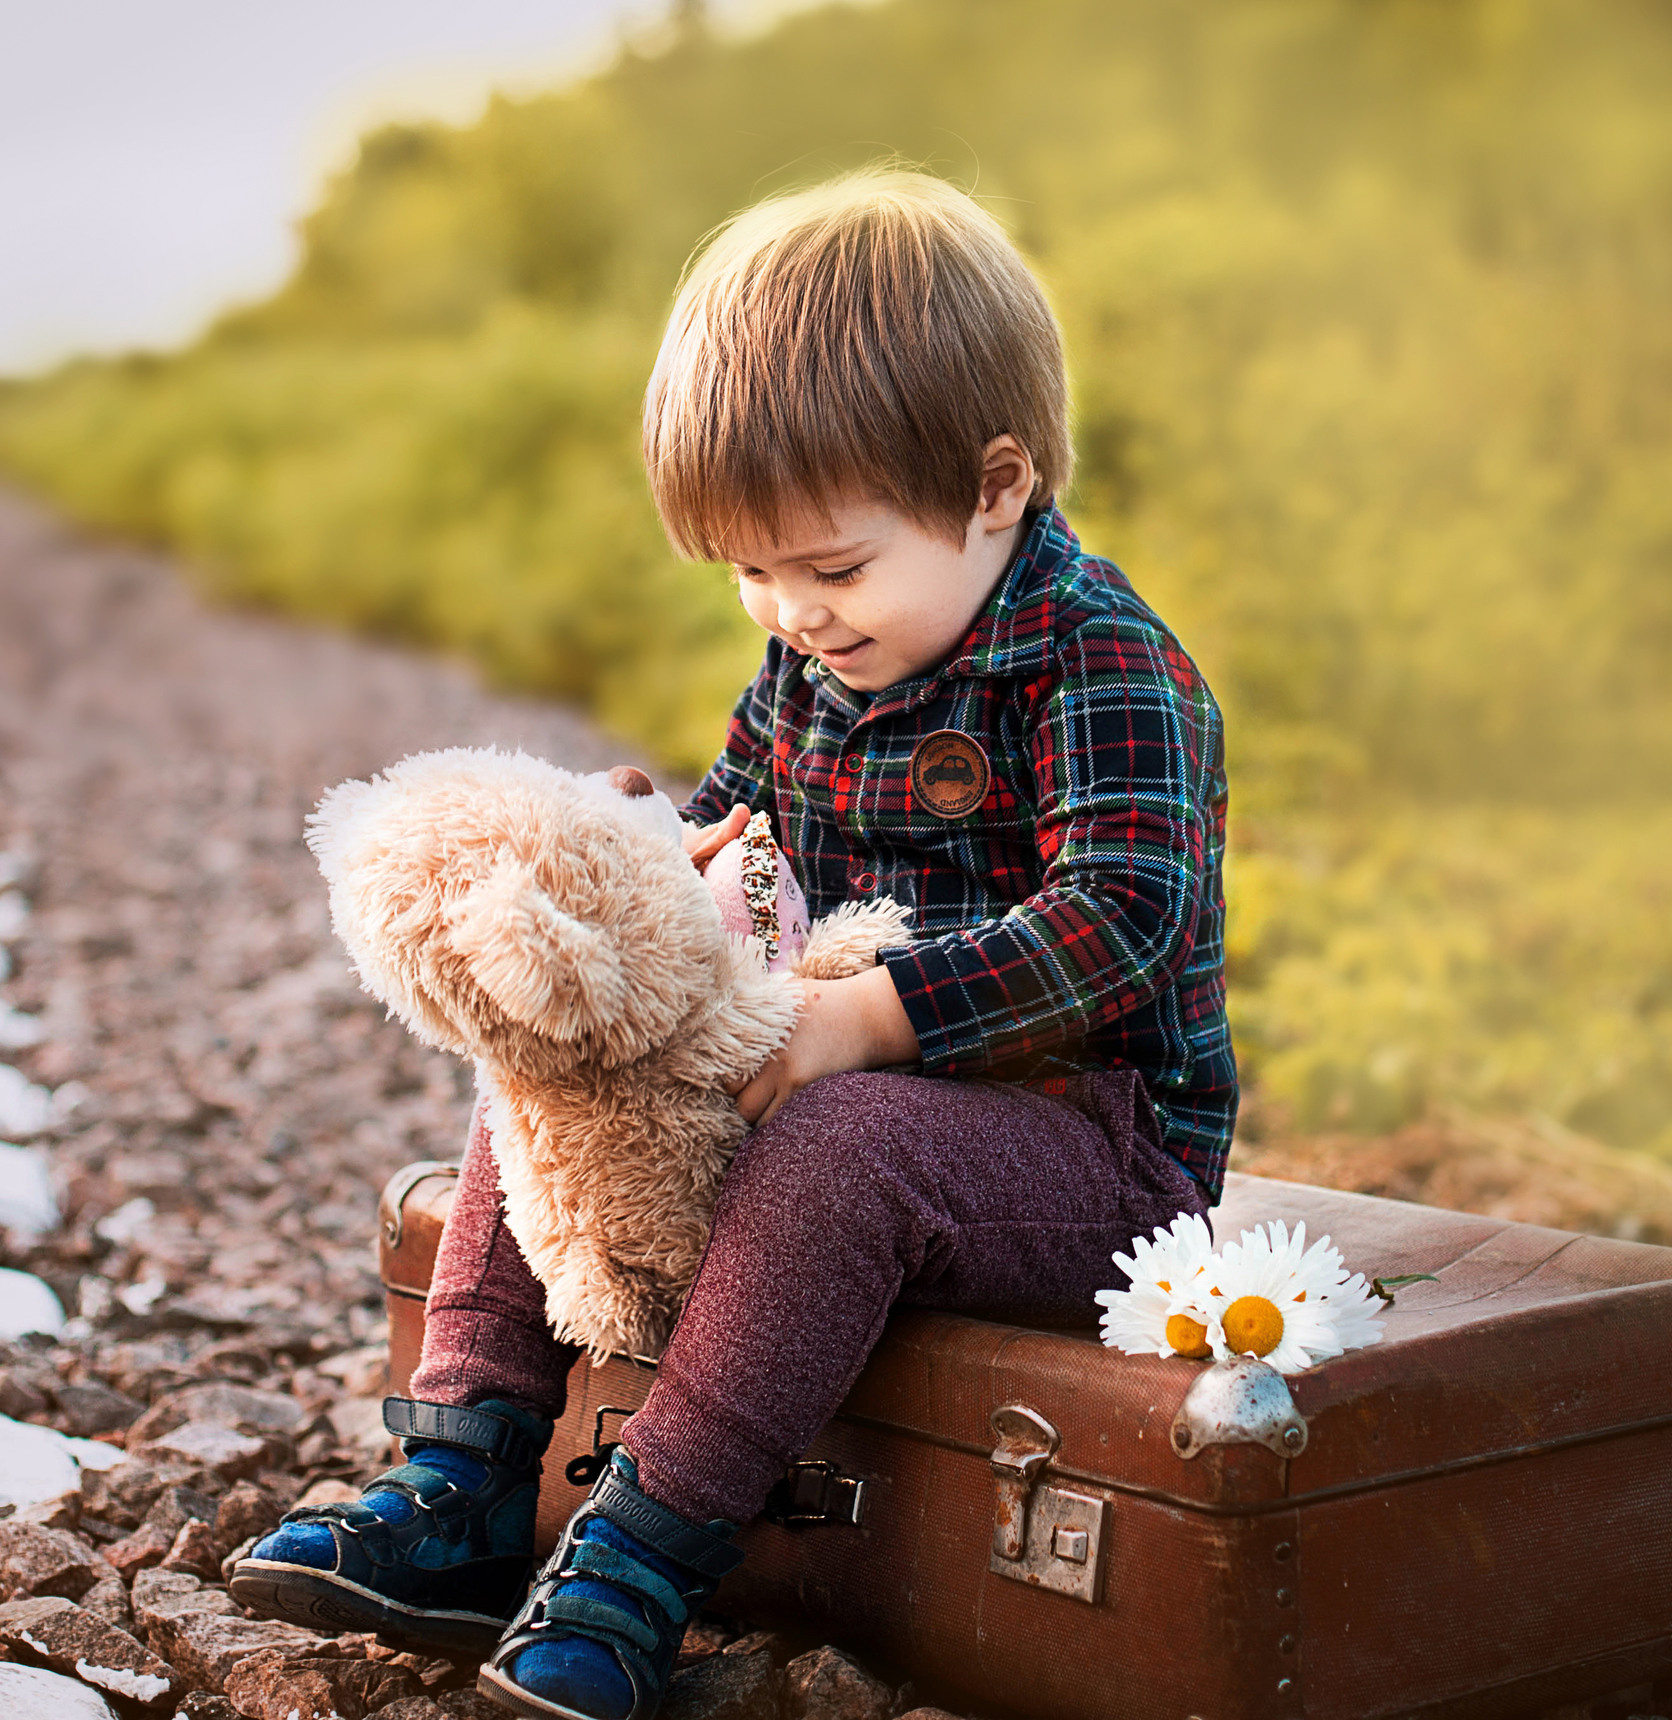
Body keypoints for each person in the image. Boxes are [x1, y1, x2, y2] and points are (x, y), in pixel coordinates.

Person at [229, 166, 1233, 1720]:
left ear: (997, 487)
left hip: (1089, 1148)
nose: (790, 612)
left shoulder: (1100, 660)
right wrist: (656, 872)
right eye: (751, 573)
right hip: (843, 1080)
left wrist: (870, 1018)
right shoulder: (807, 663)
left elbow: (1125, 921)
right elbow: (742, 834)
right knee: (558, 1055)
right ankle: (469, 1475)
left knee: (836, 1151)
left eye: (831, 568)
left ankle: (641, 1552)